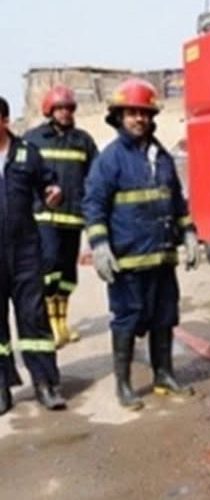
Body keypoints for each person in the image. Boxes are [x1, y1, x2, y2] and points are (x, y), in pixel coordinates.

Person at [82, 78, 199, 411]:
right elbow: (94, 205)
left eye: (144, 113)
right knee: (127, 320)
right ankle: (124, 384)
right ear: (119, 116)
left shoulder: (161, 157)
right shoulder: (110, 159)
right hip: (128, 262)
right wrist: (100, 245)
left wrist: (189, 233)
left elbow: (176, 201)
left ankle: (164, 375)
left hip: (162, 258)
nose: (139, 119)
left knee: (165, 317)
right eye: (132, 113)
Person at [0, 95, 67, 414]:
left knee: (34, 318)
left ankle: (44, 384)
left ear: (4, 121)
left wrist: (53, 193)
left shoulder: (27, 153)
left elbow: (49, 185)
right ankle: (1, 387)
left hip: (25, 250)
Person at [24, 85, 98, 347]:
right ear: (50, 110)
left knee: (67, 273)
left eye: (68, 108)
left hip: (73, 218)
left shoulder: (83, 141)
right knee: (50, 264)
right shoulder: (33, 139)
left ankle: (62, 323)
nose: (65, 112)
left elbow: (95, 177)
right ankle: (50, 323)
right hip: (44, 217)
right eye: (60, 108)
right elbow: (23, 175)